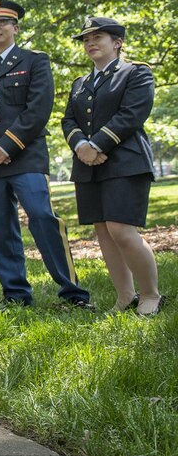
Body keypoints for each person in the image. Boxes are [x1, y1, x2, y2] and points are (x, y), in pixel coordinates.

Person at [0, 0, 91, 308]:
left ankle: (73, 292)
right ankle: (15, 293)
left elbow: (38, 109)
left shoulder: (34, 61)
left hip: (25, 157)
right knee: (1, 228)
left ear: (14, 27)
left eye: (1, 22)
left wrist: (6, 145)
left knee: (43, 217)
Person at [61, 17, 164, 316]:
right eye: (86, 39)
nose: (90, 42)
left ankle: (151, 295)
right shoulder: (79, 84)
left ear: (117, 42)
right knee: (104, 232)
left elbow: (132, 114)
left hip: (126, 161)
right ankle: (125, 296)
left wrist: (97, 145)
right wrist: (81, 146)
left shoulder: (136, 73)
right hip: (88, 166)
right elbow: (68, 120)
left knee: (122, 230)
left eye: (98, 37)